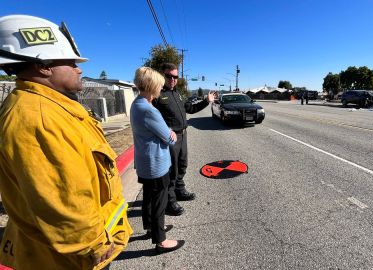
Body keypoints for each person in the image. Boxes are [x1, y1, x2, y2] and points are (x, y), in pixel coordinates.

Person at [0, 15, 132, 269]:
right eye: (71, 62)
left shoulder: (51, 106)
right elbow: (62, 201)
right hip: (71, 259)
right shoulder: (37, 118)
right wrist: (95, 244)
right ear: (43, 66)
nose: (79, 68)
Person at [130, 67, 185, 254]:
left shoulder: (136, 103)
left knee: (148, 198)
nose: (161, 89)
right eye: (160, 86)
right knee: (159, 201)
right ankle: (161, 240)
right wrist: (170, 133)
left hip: (145, 162)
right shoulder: (149, 110)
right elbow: (170, 138)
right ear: (153, 86)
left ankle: (150, 227)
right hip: (156, 163)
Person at [152, 63, 215, 216]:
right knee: (171, 170)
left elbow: (191, 109)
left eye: (175, 77)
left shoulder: (177, 93)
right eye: (169, 76)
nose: (173, 79)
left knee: (182, 165)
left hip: (183, 134)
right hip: (170, 138)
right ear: (163, 76)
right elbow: (152, 118)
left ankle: (179, 190)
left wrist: (207, 101)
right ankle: (169, 201)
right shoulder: (157, 94)